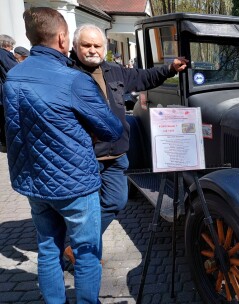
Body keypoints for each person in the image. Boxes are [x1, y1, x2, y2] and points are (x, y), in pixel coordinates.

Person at [3, 7, 123, 303]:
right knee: (86, 253)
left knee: (47, 248)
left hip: (33, 181)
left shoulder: (13, 76)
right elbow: (111, 129)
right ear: (61, 38)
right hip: (74, 184)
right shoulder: (73, 80)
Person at [66, 23, 188, 262]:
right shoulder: (67, 74)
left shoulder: (115, 71)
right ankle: (85, 252)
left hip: (116, 155)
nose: (92, 50)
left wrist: (170, 68)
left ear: (105, 47)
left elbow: (144, 77)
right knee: (86, 209)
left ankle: (78, 244)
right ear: (75, 46)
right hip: (85, 156)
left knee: (115, 201)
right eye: (86, 45)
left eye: (97, 45)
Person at [0, 34, 18, 153]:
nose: (11, 48)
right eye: (11, 46)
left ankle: (3, 143)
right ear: (6, 44)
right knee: (6, 118)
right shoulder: (4, 54)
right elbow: (14, 71)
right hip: (4, 91)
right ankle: (7, 144)